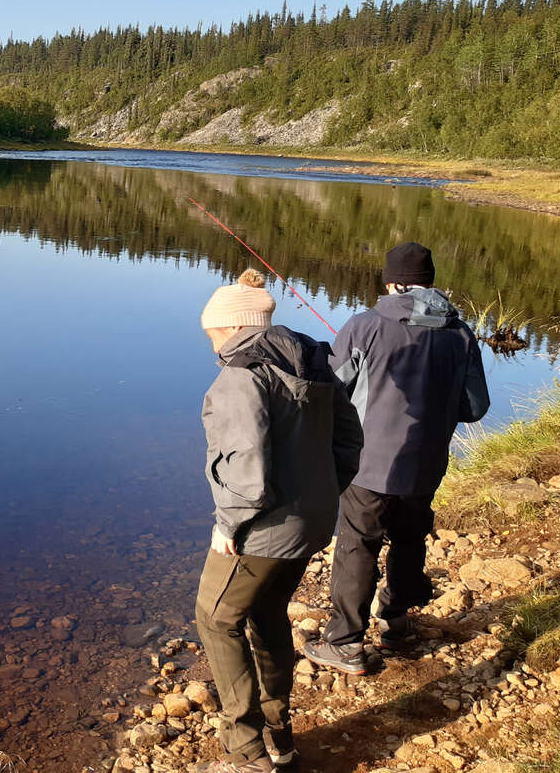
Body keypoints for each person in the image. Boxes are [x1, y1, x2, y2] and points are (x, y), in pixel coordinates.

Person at [193, 268, 363, 773]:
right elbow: (350, 442)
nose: (210, 345)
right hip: (311, 522)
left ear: (231, 328)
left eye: (212, 334)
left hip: (261, 530)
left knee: (217, 618)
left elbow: (245, 466)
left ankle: (244, 753)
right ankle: (279, 737)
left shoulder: (241, 375)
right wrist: (321, 496)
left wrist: (228, 526)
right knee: (267, 614)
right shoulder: (315, 361)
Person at [304, 241, 490, 675]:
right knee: (409, 538)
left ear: (391, 282)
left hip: (367, 464)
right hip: (426, 466)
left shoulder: (364, 325)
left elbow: (331, 394)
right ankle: (396, 622)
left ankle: (346, 641)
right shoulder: (461, 334)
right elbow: (475, 408)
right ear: (430, 283)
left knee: (357, 544)